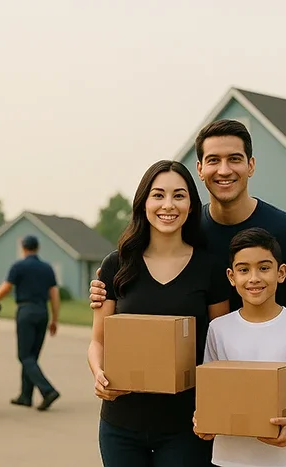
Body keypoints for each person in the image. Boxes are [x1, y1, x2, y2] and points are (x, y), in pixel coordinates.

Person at [89, 119, 286, 368]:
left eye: (235, 159)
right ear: (200, 169)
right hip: (209, 379)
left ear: (251, 166)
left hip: (277, 381)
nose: (224, 170)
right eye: (214, 160)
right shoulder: (185, 230)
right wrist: (109, 284)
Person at [89, 160, 231, 466]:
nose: (168, 205)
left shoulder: (210, 269)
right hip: (120, 425)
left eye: (179, 196)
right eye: (158, 195)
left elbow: (220, 350)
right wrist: (99, 375)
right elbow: (98, 341)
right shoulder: (117, 265)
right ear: (143, 204)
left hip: (186, 427)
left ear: (192, 206)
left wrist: (215, 410)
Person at [193, 227, 286, 467]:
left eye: (264, 268)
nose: (254, 278)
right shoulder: (219, 329)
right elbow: (211, 394)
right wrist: (204, 419)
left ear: (281, 272)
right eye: (244, 270)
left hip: (285, 459)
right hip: (229, 458)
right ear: (231, 277)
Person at [0, 235, 61, 411]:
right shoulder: (47, 268)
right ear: (37, 248)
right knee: (31, 356)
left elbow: (6, 287)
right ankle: (25, 396)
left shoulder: (19, 266)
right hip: (42, 313)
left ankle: (48, 391)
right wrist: (55, 319)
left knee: (24, 356)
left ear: (23, 247)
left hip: (26, 312)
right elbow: (54, 295)